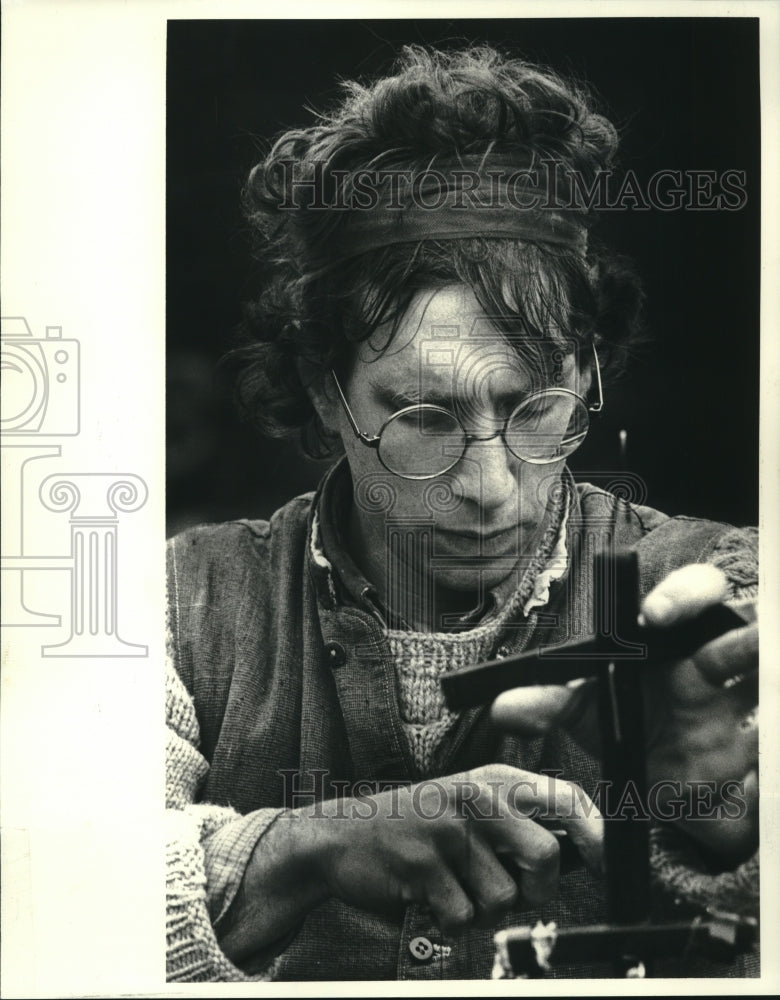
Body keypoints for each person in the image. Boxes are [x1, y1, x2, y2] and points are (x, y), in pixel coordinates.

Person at [165, 46, 759, 981]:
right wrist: (308, 845)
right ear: (327, 395)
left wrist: (722, 819)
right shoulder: (175, 607)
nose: (487, 483)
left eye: (534, 409)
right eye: (423, 417)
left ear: (587, 373)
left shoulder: (731, 594)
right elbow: (56, 887)